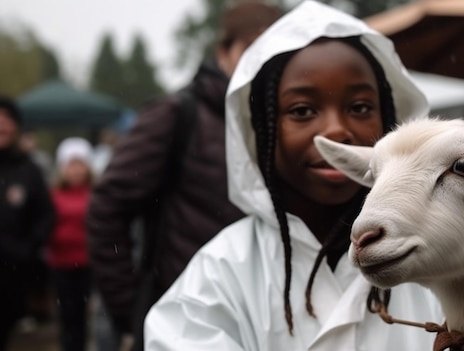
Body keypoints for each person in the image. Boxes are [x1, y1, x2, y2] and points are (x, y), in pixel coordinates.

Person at [144, 1, 443, 349]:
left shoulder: (439, 262)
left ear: (392, 121)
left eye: (359, 107)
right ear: (262, 130)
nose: (336, 130)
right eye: (302, 110)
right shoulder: (217, 278)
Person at [86, 2, 283, 350]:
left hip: (268, 322)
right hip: (186, 322)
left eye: (277, 49)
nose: (263, 59)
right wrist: (133, 311)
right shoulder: (177, 114)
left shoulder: (280, 122)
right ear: (223, 50)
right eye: (253, 46)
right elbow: (107, 207)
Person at [0, 95, 55, 350]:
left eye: (8, 120)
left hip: (12, 277)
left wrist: (27, 249)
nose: (2, 125)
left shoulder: (28, 169)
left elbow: (46, 215)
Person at [46, 137, 94, 351]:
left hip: (88, 263)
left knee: (85, 315)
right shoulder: (53, 195)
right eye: (71, 165)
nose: (75, 171)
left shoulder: (96, 194)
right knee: (68, 314)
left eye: (80, 164)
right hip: (61, 264)